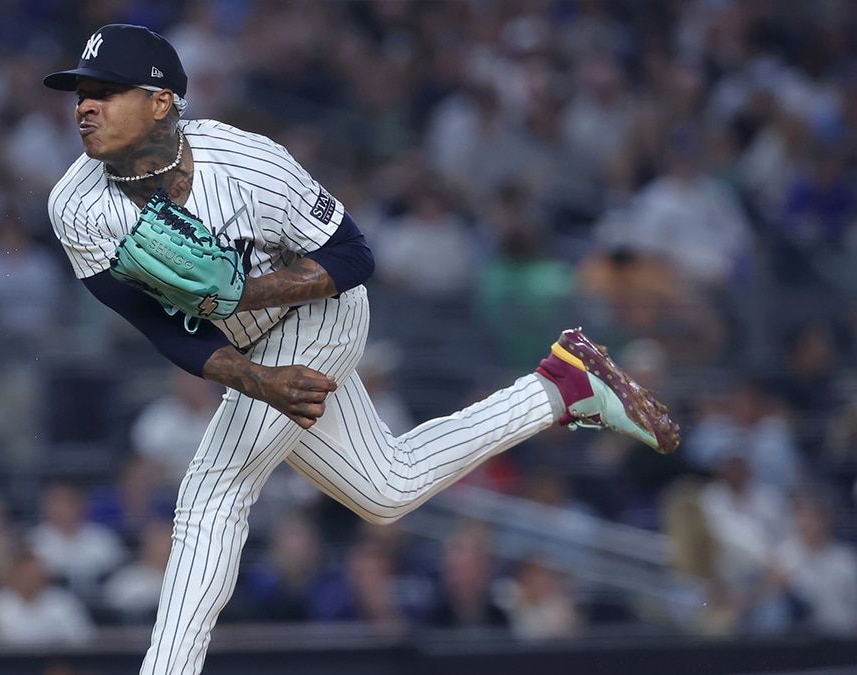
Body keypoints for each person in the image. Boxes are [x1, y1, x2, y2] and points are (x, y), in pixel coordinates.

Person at [42, 23, 679, 674]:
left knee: (214, 489)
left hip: (323, 314)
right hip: (250, 350)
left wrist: (246, 294)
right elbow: (160, 324)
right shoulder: (77, 207)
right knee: (386, 487)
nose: (84, 106)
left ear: (160, 103)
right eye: (80, 93)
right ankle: (561, 387)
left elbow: (353, 255)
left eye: (106, 91)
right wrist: (257, 379)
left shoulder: (250, 165)